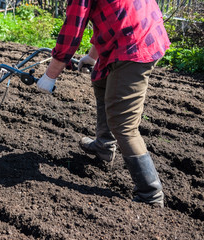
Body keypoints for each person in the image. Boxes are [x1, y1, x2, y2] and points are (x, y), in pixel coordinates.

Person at [37, 0, 171, 208]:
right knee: (100, 78)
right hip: (140, 31)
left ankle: (150, 195)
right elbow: (114, 16)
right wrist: (92, 57)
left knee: (123, 124)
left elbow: (72, 31)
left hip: (133, 44)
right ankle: (104, 145)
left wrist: (50, 76)